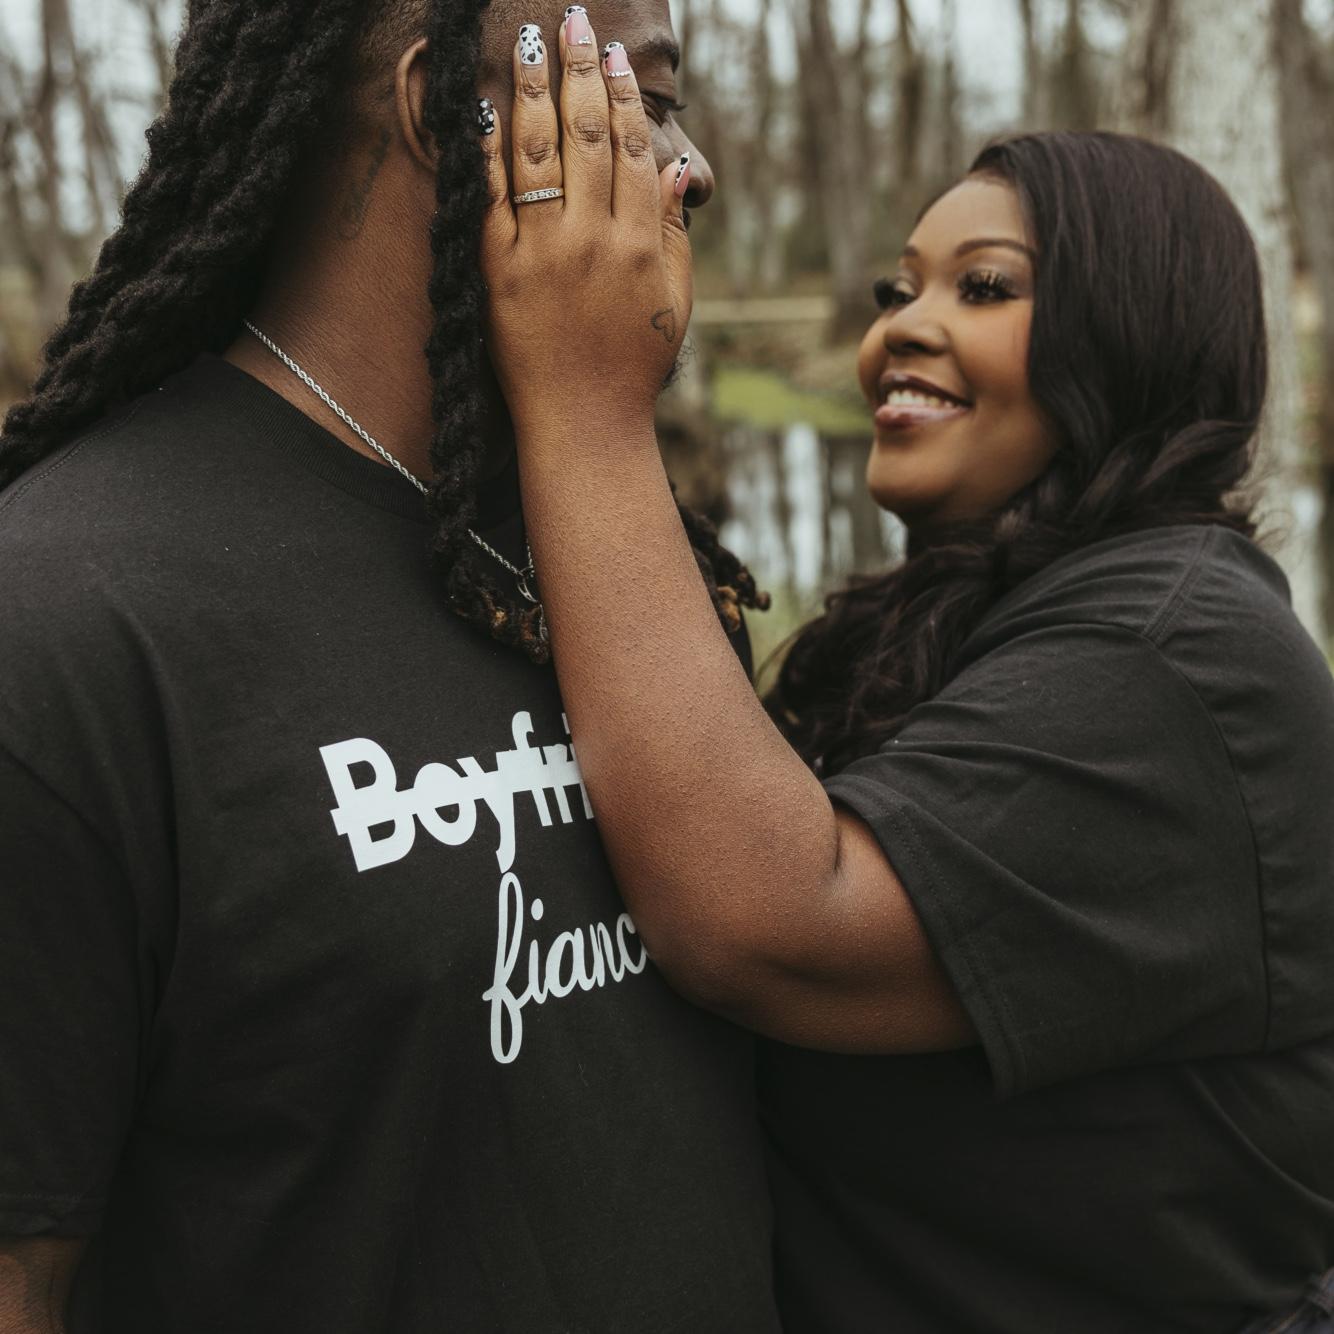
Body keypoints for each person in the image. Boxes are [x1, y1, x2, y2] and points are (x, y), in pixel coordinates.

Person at [475, 40, 1334, 1334]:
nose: (897, 333)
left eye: (983, 286)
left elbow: (769, 920)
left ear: (1138, 327)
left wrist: (585, 397)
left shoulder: (1178, 656)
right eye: (897, 289)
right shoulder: (964, 621)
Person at [0, 3, 780, 1331]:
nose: (687, 167)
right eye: (645, 102)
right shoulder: (66, 617)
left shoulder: (621, 558)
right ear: (440, 111)